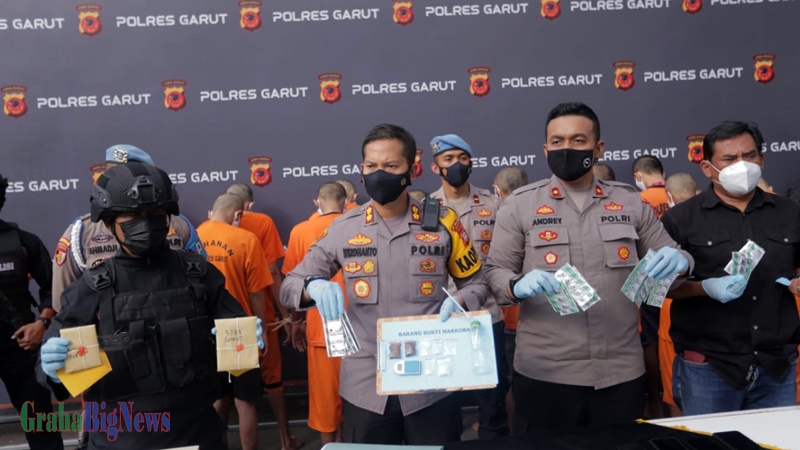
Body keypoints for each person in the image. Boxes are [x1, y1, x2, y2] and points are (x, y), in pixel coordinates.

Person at [485, 102, 692, 433]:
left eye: (578, 140)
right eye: (557, 141)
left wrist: (681, 263)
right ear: (545, 149)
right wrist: (515, 285)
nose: (566, 148)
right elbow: (495, 272)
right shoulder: (520, 205)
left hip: (619, 373)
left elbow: (672, 256)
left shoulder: (629, 202)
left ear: (598, 148)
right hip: (546, 374)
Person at [280, 123, 489, 445]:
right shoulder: (344, 228)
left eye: (391, 166)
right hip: (366, 387)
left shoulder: (443, 222)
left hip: (432, 382)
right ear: (362, 170)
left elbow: (477, 282)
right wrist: (313, 287)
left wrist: (462, 301)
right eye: (371, 166)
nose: (379, 174)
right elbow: (290, 285)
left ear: (412, 171)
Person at [37, 162, 255, 450]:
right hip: (119, 439)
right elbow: (51, 376)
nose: (147, 223)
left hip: (197, 433)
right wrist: (51, 368)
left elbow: (239, 348)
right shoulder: (92, 286)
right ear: (109, 223)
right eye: (135, 216)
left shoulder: (198, 274)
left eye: (154, 214)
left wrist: (249, 341)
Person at [661, 121, 800, 415]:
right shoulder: (680, 219)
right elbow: (659, 288)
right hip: (710, 367)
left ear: (762, 159)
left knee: (774, 440)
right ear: (707, 167)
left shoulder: (790, 212)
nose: (742, 165)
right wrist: (704, 288)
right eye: (729, 158)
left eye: (749, 156)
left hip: (776, 365)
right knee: (709, 440)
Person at [52, 144, 204, 311]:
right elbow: (64, 304)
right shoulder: (80, 233)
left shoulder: (179, 225)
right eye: (114, 173)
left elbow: (202, 281)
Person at [428, 133, 509, 439]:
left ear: (472, 163)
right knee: (444, 396)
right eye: (449, 159)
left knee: (493, 394)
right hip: (445, 315)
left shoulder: (492, 203)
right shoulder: (427, 208)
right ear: (436, 167)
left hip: (487, 313)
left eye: (463, 158)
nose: (457, 164)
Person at [225, 183, 303, 450]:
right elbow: (272, 272)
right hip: (263, 319)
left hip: (227, 325)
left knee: (228, 392)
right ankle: (285, 440)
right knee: (273, 383)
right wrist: (287, 316)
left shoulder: (207, 231)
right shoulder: (261, 223)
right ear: (249, 204)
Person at [198, 194, 273, 450]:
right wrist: (263, 330)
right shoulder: (247, 239)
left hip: (205, 329)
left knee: (217, 398)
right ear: (238, 214)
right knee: (245, 401)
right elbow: (257, 293)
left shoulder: (194, 237)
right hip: (240, 329)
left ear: (212, 212)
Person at [0, 174, 64, 450]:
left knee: (40, 425)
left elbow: (54, 287)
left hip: (21, 345)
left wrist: (42, 322)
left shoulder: (23, 242)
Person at [283, 182, 348, 445]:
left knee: (326, 404)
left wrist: (295, 322)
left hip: (322, 330)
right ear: (346, 201)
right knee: (363, 403)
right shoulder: (358, 226)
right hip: (362, 330)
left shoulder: (301, 231)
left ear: (317, 202)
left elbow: (292, 283)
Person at [659, 173, 701, 418]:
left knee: (673, 388)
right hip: (676, 306)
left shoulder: (669, 219)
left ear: (669, 196)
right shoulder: (669, 222)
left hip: (676, 314)